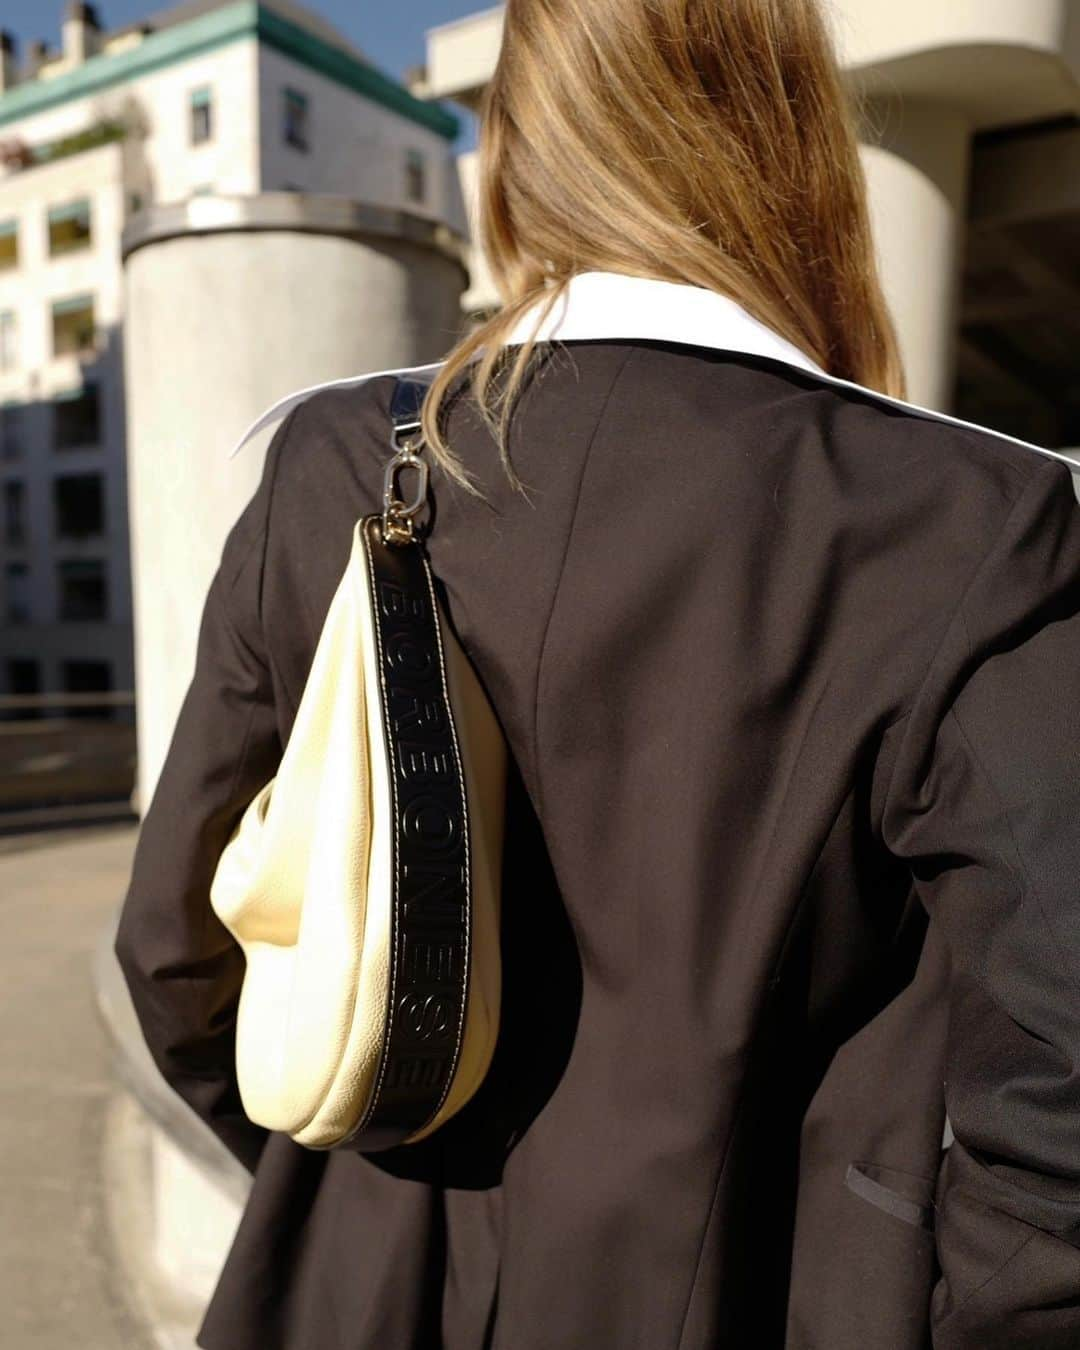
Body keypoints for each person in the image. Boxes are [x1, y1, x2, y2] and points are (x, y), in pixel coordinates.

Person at [113, 1, 1080, 1347]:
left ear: (512, 146)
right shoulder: (973, 521)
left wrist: (364, 1130)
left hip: (348, 1287)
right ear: (796, 148)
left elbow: (173, 953)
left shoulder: (337, 461)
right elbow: (1061, 1091)